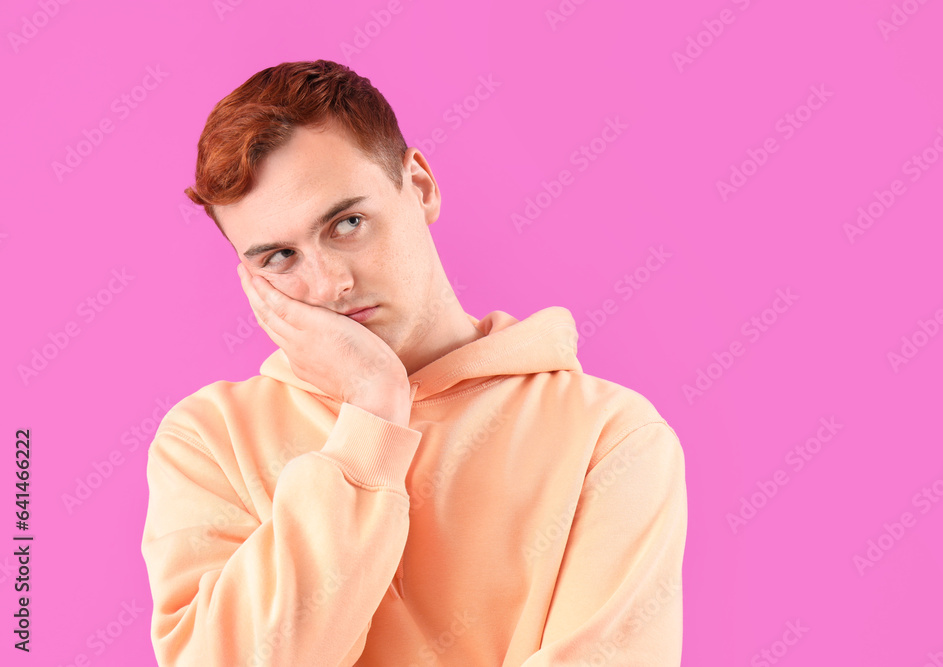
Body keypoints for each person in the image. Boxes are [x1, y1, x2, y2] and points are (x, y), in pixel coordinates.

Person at [140, 59, 687, 666]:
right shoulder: (209, 439)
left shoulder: (610, 437)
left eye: (347, 223)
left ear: (420, 186)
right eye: (279, 258)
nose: (330, 284)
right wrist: (372, 413)